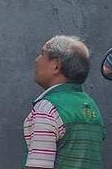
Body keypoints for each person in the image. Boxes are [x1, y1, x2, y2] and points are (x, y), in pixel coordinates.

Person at [24, 35, 104, 169]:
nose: (36, 60)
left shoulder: (47, 108)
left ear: (56, 65)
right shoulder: (92, 106)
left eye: (42, 53)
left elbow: (39, 165)